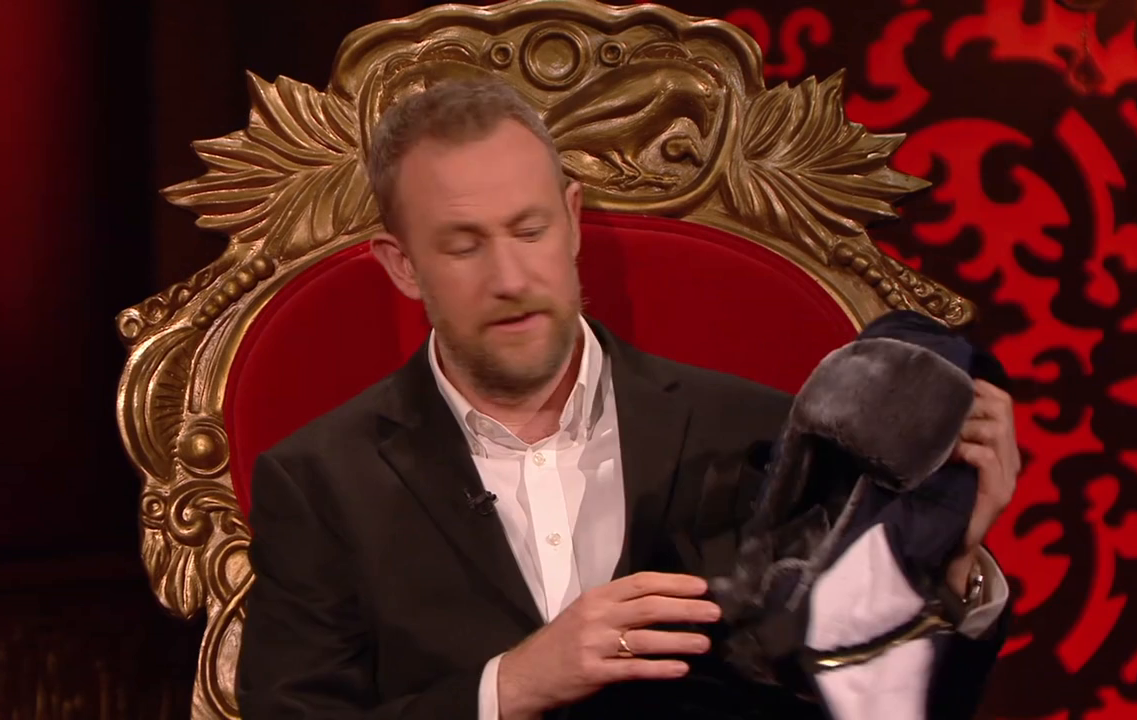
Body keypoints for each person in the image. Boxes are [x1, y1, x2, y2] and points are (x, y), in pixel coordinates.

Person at [235, 77, 1019, 719]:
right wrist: (509, 687)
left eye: (530, 231)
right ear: (402, 265)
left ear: (573, 222)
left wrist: (943, 558)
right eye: (465, 245)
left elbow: (869, 698)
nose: (510, 278)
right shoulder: (320, 482)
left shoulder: (753, 434)